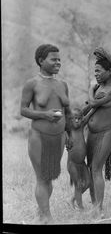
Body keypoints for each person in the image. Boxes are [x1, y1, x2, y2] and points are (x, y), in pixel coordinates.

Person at [20, 44, 70, 224]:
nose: (58, 62)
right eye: (54, 59)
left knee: (49, 177)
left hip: (59, 138)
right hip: (39, 137)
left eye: (59, 59)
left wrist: (70, 134)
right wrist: (45, 115)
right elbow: (23, 110)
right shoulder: (32, 84)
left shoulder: (62, 84)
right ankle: (47, 217)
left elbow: (69, 112)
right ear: (41, 61)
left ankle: (42, 212)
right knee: (42, 177)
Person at [81, 47, 111, 218]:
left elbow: (93, 103)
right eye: (94, 71)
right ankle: (94, 205)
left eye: (99, 71)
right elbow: (88, 108)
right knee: (89, 168)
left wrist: (90, 88)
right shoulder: (99, 87)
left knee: (96, 169)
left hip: (105, 134)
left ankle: (99, 210)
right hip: (92, 133)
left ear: (109, 71)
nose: (96, 74)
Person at [66, 106, 91, 210]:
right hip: (72, 163)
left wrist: (93, 104)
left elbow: (90, 113)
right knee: (78, 185)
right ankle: (80, 207)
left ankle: (72, 199)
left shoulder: (81, 126)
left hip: (82, 163)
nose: (77, 120)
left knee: (88, 182)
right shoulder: (69, 128)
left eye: (79, 118)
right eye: (74, 118)